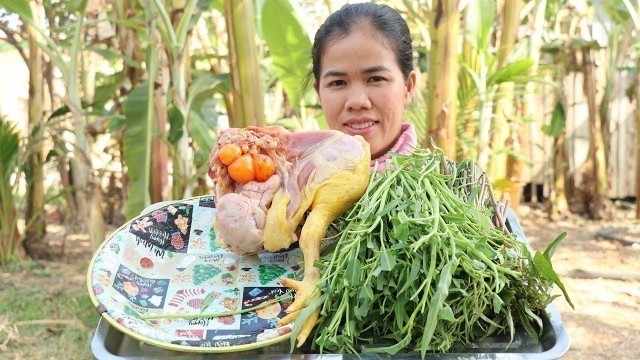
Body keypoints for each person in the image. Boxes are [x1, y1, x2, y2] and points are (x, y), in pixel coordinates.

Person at [309, 2, 418, 170]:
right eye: (338, 82)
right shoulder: (293, 188)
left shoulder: (452, 187)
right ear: (319, 94)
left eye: (375, 79)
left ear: (408, 87)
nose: (357, 101)